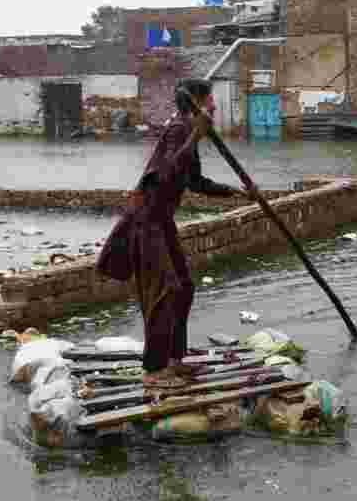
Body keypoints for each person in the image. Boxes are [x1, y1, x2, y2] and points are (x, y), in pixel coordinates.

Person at [96, 79, 258, 387]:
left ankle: (174, 360)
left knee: (184, 287)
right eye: (210, 100)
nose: (214, 106)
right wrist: (195, 134)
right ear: (198, 103)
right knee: (165, 290)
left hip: (162, 220)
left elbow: (194, 181)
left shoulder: (188, 134)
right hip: (146, 220)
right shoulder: (179, 130)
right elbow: (167, 171)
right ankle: (155, 371)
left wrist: (236, 193)